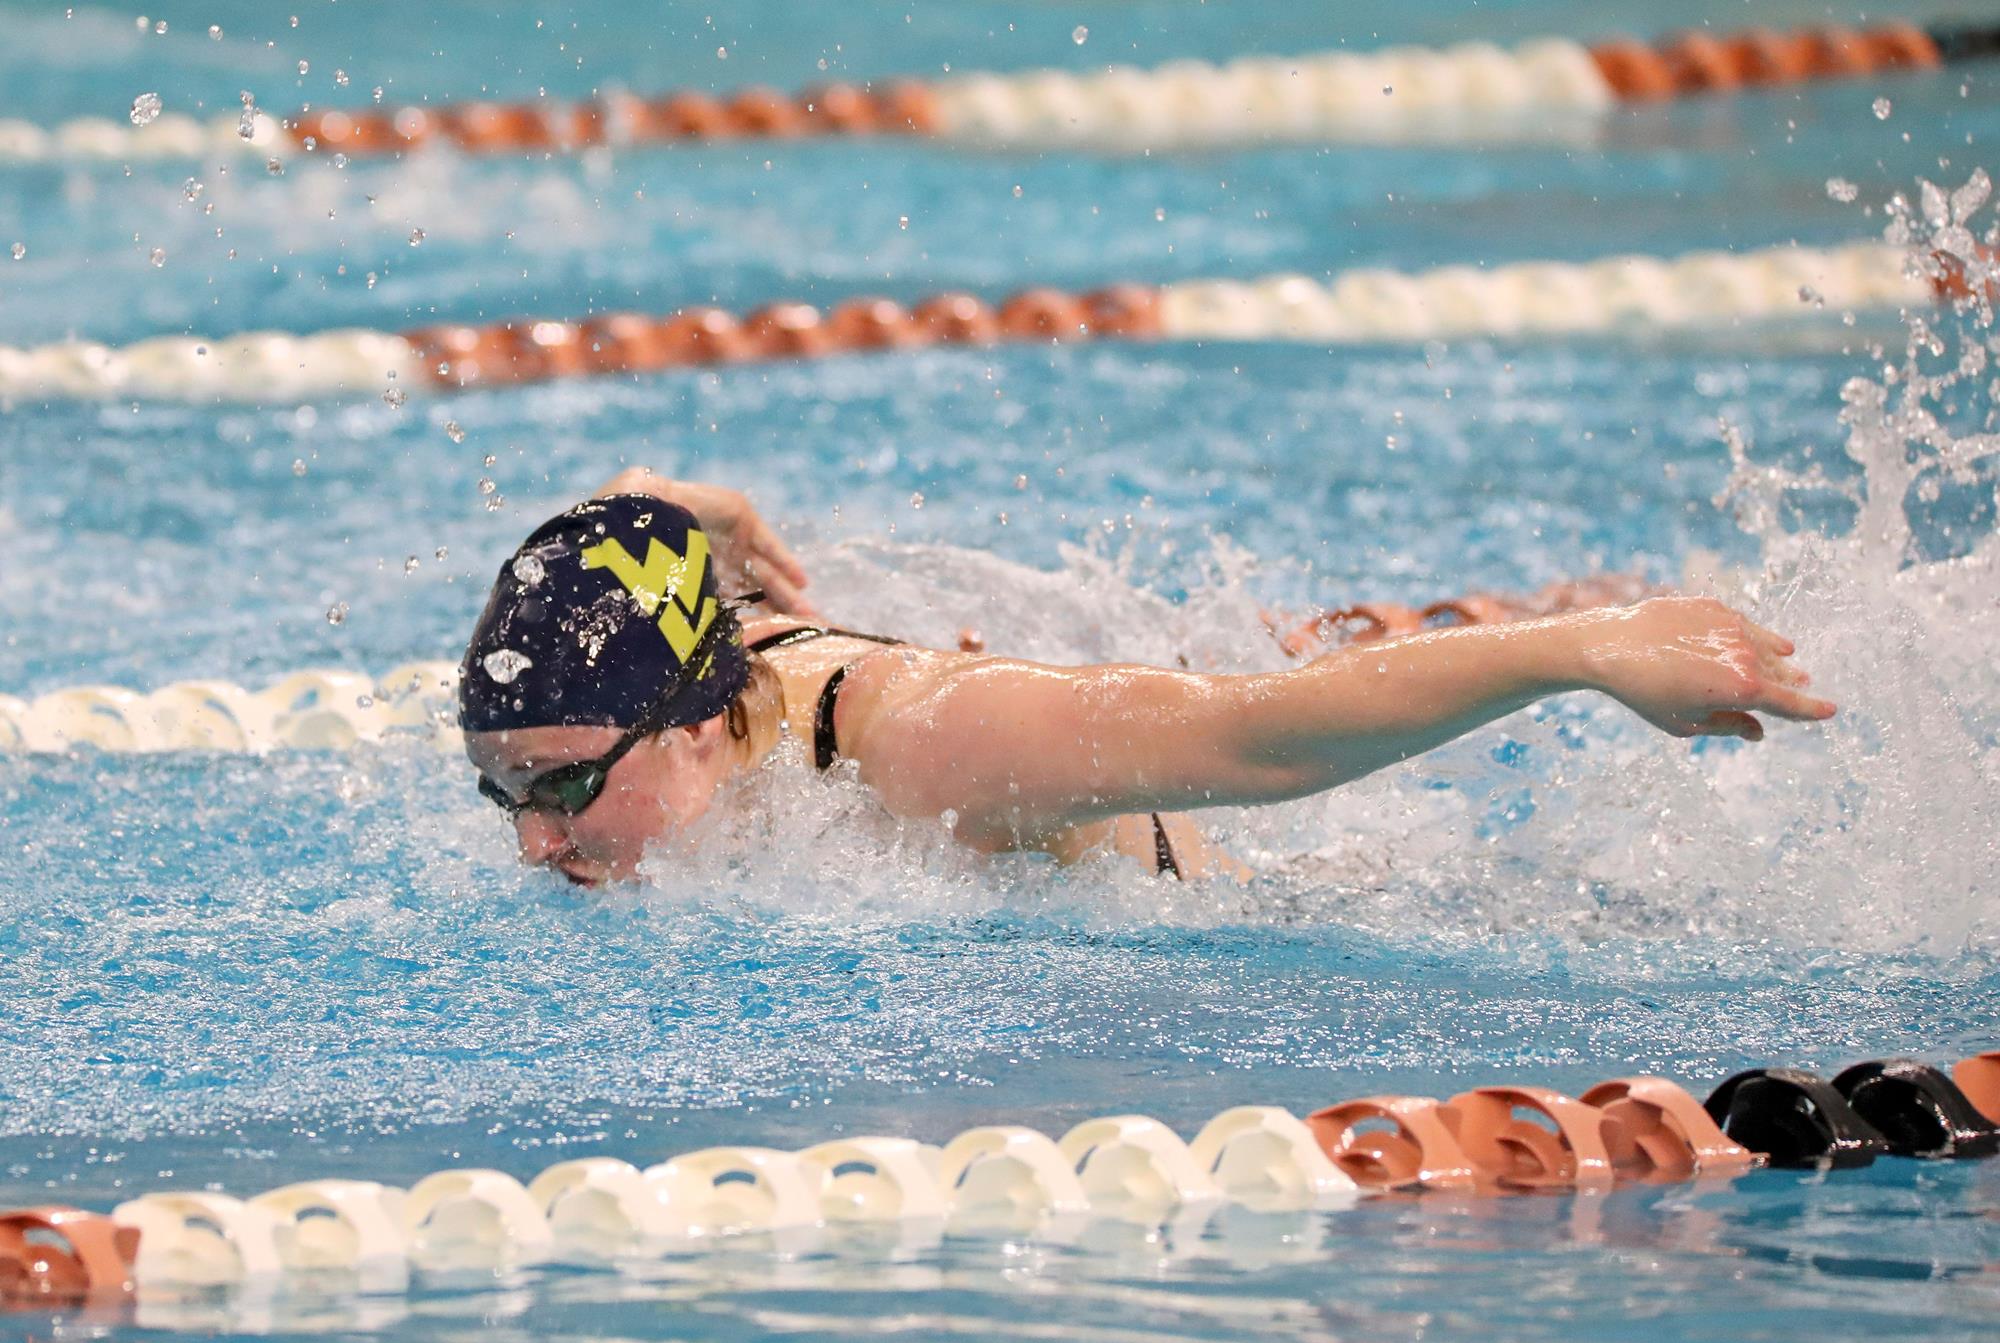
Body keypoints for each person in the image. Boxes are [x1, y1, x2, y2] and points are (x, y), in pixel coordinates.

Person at [459, 469, 1834, 887]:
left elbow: (1262, 738)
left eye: (563, 786)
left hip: (1283, 914)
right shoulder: (646, 682)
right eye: (503, 790)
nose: (535, 836)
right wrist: (664, 507)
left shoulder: (935, 751)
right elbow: (616, 535)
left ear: (701, 725)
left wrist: (1581, 649)